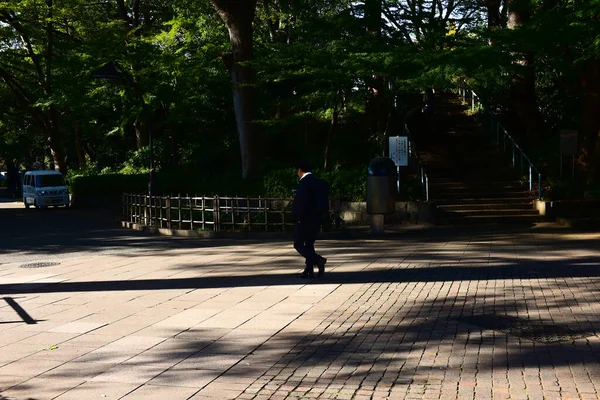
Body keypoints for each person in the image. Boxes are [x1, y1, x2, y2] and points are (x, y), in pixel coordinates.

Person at [292, 159, 327, 278]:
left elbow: (301, 203)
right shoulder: (317, 182)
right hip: (315, 218)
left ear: (300, 170)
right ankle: (309, 269)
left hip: (304, 218)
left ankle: (318, 260)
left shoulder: (304, 183)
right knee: (309, 244)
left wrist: (297, 216)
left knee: (298, 244)